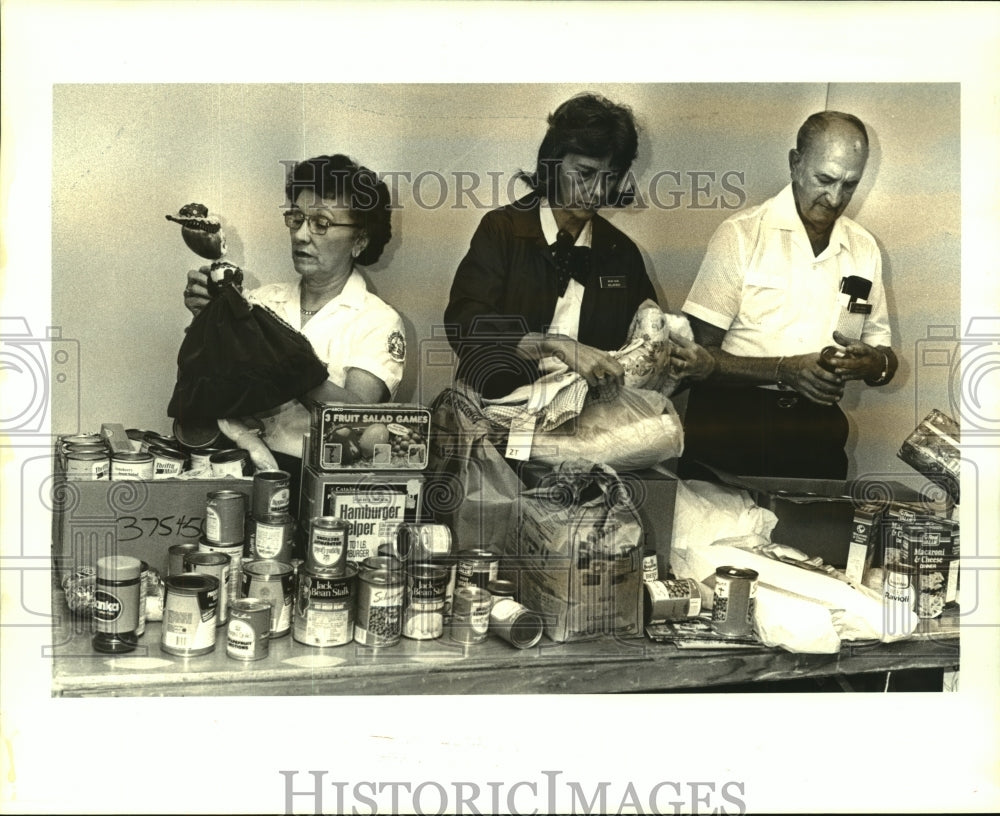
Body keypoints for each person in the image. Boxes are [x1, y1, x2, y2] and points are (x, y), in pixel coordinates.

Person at [444, 92, 713, 401]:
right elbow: (464, 325)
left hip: (590, 419)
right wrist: (555, 344)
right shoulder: (502, 230)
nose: (597, 191)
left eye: (609, 177)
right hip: (497, 412)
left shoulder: (620, 252)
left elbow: (647, 347)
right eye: (585, 173)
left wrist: (692, 362)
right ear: (553, 164)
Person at [679, 111, 898, 480]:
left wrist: (873, 363)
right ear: (795, 164)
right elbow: (696, 360)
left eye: (849, 184)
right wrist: (785, 371)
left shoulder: (865, 249)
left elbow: (884, 361)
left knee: (814, 538)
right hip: (730, 433)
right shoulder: (740, 235)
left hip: (816, 438)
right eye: (824, 179)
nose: (834, 197)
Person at [182, 153, 405, 485]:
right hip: (232, 469)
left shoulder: (378, 322)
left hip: (314, 483)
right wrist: (206, 321)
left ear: (359, 240)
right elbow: (208, 385)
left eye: (321, 223)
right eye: (296, 218)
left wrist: (286, 360)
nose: (301, 235)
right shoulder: (259, 301)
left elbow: (358, 422)